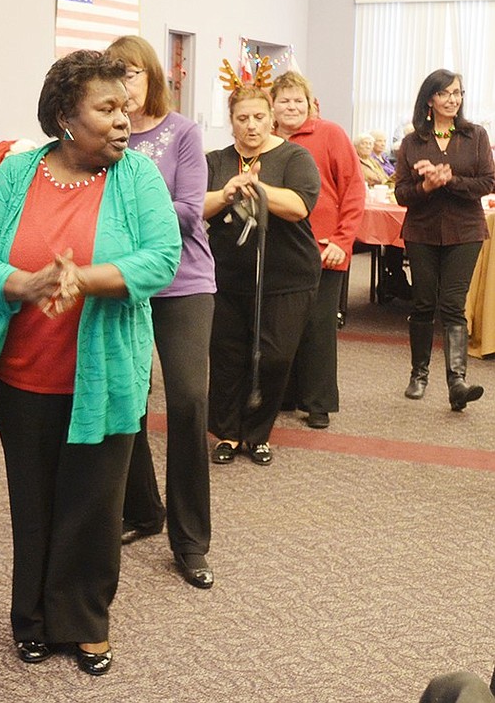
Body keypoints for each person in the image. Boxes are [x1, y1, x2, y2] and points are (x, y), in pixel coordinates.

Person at [0, 50, 180, 676]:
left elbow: (162, 258)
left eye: (125, 108)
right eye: (106, 109)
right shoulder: (17, 174)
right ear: (65, 117)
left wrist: (88, 279)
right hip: (25, 374)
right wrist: (21, 285)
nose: (122, 121)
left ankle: (84, 623)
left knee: (93, 506)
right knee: (34, 502)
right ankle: (31, 619)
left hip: (106, 377)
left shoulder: (138, 178)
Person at [105, 35, 215, 589]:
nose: (123, 85)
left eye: (131, 74)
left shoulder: (182, 133)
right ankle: (145, 510)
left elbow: (190, 214)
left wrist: (127, 213)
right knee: (128, 398)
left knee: (190, 401)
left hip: (184, 282)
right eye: (114, 75)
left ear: (151, 75)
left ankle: (191, 539)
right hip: (125, 283)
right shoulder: (105, 137)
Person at [205, 77, 320, 466]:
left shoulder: (294, 158)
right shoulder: (215, 161)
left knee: (273, 357)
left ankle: (257, 433)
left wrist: (259, 189)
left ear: (271, 118)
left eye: (258, 117)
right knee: (226, 354)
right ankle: (227, 433)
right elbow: (193, 206)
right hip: (226, 277)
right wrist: (225, 193)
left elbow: (300, 205)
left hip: (287, 278)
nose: (251, 125)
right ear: (231, 121)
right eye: (242, 118)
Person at [394, 68, 495, 410]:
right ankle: (419, 374)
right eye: (446, 93)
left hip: (465, 231)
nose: (453, 99)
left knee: (453, 305)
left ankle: (457, 382)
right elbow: (401, 194)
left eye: (458, 93)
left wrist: (449, 180)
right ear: (430, 99)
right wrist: (426, 186)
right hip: (422, 231)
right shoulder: (412, 142)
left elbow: (487, 183)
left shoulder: (474, 136)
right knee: (423, 302)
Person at [271, 71, 365, 430]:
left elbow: (353, 190)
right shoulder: (266, 139)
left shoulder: (331, 134)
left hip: (325, 249)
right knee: (281, 325)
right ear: (273, 106)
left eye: (299, 100)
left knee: (318, 326)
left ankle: (318, 402)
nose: (292, 107)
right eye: (284, 100)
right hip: (280, 251)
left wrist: (343, 241)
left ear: (311, 104)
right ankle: (286, 394)